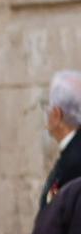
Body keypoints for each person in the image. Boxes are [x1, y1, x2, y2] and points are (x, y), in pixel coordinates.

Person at [42, 70, 81, 210]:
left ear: (57, 114)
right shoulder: (72, 150)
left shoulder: (74, 161)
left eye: (48, 107)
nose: (46, 113)